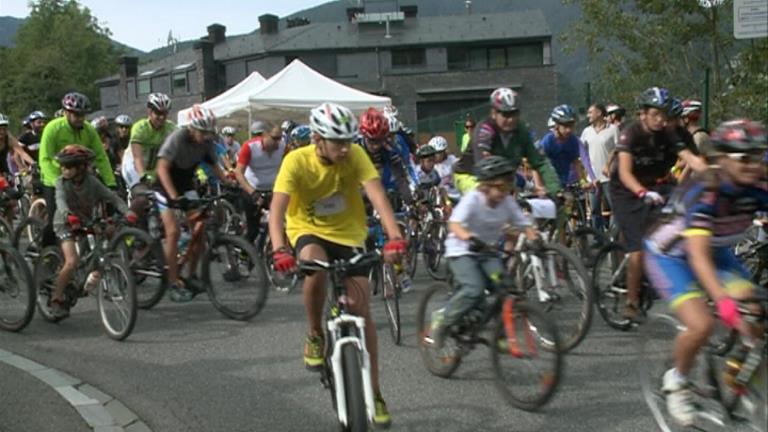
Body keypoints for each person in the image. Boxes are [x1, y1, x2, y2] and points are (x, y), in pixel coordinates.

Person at [269, 102, 405, 428]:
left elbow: (378, 197)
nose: (345, 149)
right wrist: (278, 250)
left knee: (362, 309)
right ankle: (315, 332)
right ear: (317, 139)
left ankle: (374, 392)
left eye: (348, 141)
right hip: (308, 229)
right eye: (337, 142)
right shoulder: (295, 162)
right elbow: (276, 211)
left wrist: (394, 235)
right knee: (313, 266)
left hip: (349, 233)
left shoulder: (356, 156)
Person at [644, 119, 767, 426]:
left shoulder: (758, 185)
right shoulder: (706, 191)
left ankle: (739, 370)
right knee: (702, 324)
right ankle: (676, 380)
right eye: (745, 158)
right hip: (671, 255)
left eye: (760, 155)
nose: (754, 165)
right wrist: (724, 304)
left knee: (756, 311)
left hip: (717, 252)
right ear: (723, 159)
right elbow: (697, 258)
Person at [609, 86, 705, 320]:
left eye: (664, 114)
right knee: (638, 250)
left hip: (659, 185)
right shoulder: (630, 133)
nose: (661, 120)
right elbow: (624, 172)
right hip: (627, 191)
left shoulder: (670, 132)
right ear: (642, 113)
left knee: (687, 228)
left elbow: (692, 159)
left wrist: (720, 177)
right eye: (656, 114)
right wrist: (642, 192)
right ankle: (631, 303)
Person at [430, 156, 540, 348]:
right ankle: (443, 320)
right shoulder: (473, 199)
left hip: (487, 253)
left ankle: (499, 334)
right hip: (461, 251)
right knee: (474, 288)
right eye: (499, 187)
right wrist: (469, 238)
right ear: (486, 186)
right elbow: (454, 224)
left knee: (505, 287)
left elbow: (523, 224)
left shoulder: (506, 201)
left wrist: (534, 238)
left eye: (506, 187)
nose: (503, 192)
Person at [153, 105, 231, 302]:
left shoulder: (206, 143)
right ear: (192, 128)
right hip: (165, 186)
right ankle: (172, 282)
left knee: (200, 227)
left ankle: (191, 275)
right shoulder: (177, 138)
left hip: (186, 184)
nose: (206, 137)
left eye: (209, 133)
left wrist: (229, 184)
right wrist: (173, 197)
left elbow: (215, 166)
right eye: (203, 132)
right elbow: (161, 168)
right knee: (173, 232)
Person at [49, 145, 135, 319]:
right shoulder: (61, 182)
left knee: (98, 253)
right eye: (62, 166)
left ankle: (84, 282)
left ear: (81, 167)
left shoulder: (92, 181)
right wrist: (68, 215)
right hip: (65, 223)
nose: (63, 170)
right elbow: (60, 200)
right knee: (72, 262)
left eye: (67, 166)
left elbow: (111, 197)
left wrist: (127, 211)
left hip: (86, 222)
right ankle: (56, 299)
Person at [39, 92, 116, 246]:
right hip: (53, 179)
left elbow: (101, 157)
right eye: (76, 115)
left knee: (87, 219)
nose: (80, 118)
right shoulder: (52, 128)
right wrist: (59, 181)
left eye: (83, 115)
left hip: (79, 178)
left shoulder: (89, 130)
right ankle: (46, 252)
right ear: (66, 112)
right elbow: (45, 159)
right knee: (55, 218)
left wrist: (111, 183)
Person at [453, 87, 561, 195]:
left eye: (515, 113)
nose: (511, 119)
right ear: (494, 113)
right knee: (488, 196)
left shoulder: (521, 130)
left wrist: (555, 191)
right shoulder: (485, 129)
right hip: (470, 175)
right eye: (506, 114)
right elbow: (484, 165)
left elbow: (540, 161)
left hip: (503, 180)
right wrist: (515, 184)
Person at [234, 121, 286, 242]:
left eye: (280, 138)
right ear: (264, 135)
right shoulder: (249, 147)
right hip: (252, 190)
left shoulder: (283, 147)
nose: (277, 142)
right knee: (253, 230)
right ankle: (245, 255)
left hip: (273, 191)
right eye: (274, 138)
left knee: (281, 225)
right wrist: (252, 192)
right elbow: (238, 173)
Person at [358, 107, 412, 208]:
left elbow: (401, 178)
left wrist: (411, 202)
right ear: (364, 136)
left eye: (379, 141)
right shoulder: (355, 149)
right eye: (372, 141)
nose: (376, 146)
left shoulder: (389, 149)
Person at [539, 104, 597, 188]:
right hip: (548, 184)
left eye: (571, 125)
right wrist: (539, 186)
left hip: (565, 183)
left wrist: (583, 181)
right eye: (565, 126)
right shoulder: (548, 141)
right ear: (556, 125)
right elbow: (538, 164)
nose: (569, 129)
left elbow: (576, 162)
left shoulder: (572, 140)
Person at [581, 103, 618, 231]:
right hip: (593, 179)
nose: (588, 115)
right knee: (595, 210)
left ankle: (614, 235)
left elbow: (618, 149)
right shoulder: (586, 131)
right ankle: (599, 239)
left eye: (591, 112)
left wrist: (608, 164)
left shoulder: (613, 129)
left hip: (608, 177)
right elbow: (582, 152)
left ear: (599, 113)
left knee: (615, 208)